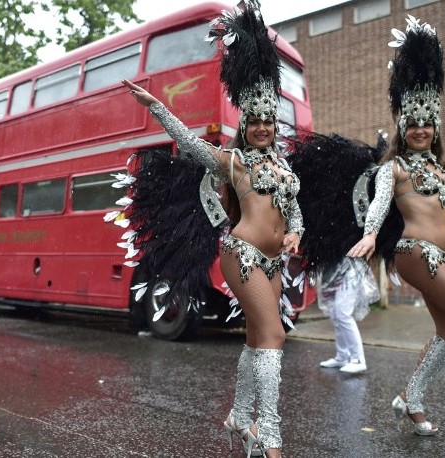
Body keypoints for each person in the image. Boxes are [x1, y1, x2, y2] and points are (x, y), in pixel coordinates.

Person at [116, 3, 302, 456]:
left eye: (267, 120)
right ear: (246, 123)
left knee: (259, 337)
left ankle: (240, 415)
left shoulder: (283, 167)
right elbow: (189, 143)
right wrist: (158, 107)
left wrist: (295, 230)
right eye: (254, 120)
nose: (261, 126)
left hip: (276, 261)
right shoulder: (233, 162)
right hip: (240, 255)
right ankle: (269, 436)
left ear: (274, 124)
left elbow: (294, 211)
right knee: (274, 334)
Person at [347, 16, 445, 452]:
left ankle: (411, 399)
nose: (420, 130)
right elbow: (379, 204)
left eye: (427, 124)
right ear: (403, 127)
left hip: (437, 254)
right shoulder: (392, 168)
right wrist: (372, 234)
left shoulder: (439, 168)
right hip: (415, 253)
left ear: (434, 127)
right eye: (412, 124)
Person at [318, 257, 379, 374]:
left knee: (342, 314)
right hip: (333, 268)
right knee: (335, 315)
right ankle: (343, 356)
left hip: (349, 267)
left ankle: (358, 360)